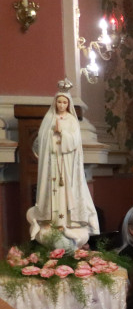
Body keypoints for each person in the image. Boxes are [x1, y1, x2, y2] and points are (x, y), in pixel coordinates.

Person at [27, 86, 100, 246]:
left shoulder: (72, 120)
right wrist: (52, 134)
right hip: (52, 163)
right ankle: (52, 221)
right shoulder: (49, 119)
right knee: (53, 191)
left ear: (68, 104)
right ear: (55, 103)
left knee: (67, 190)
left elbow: (74, 142)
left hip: (67, 163)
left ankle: (69, 221)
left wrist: (62, 133)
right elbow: (42, 142)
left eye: (64, 102)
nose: (61, 105)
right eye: (59, 102)